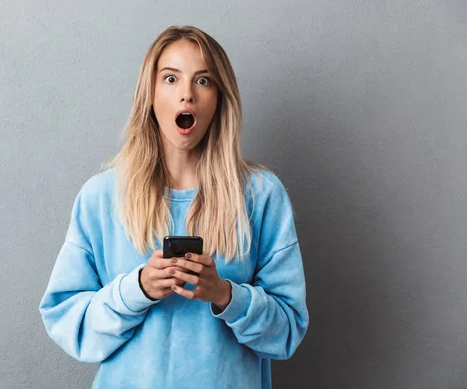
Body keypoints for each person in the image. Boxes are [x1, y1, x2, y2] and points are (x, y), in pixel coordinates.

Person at [39, 25, 309, 389]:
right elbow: (66, 321)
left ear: (219, 98)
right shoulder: (101, 197)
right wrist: (138, 288)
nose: (186, 95)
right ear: (149, 94)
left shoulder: (261, 196)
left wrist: (225, 294)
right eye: (170, 78)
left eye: (203, 81)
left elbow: (288, 330)